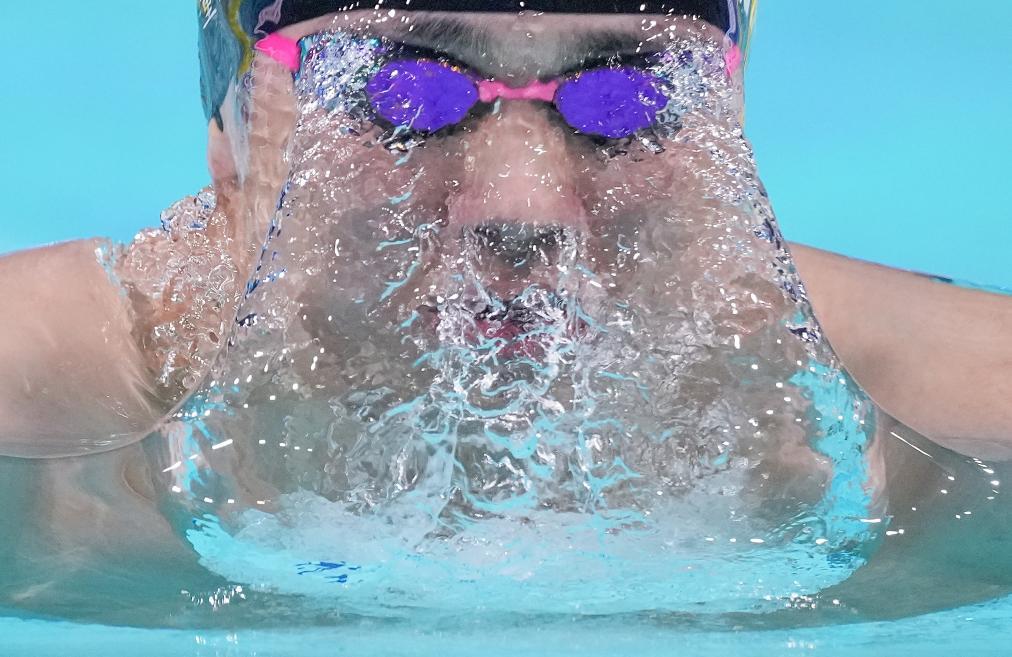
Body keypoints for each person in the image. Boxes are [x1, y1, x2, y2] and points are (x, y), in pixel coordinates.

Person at [0, 0, 1010, 627]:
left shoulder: (970, 415)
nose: (524, 211)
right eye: (398, 94)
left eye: (628, 98)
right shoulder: (27, 405)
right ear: (228, 130)